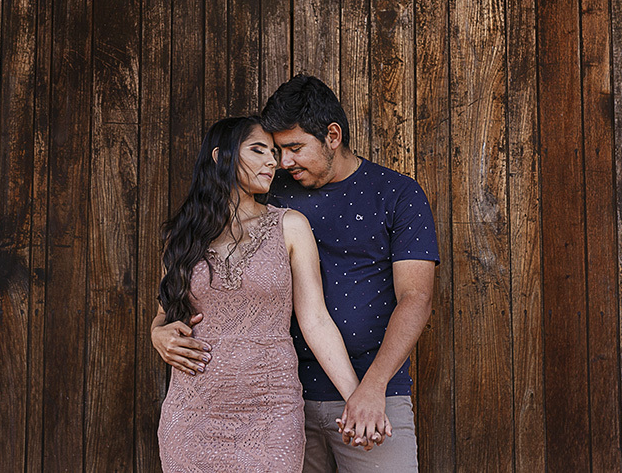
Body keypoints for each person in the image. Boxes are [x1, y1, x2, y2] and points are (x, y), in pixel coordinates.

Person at [156, 77, 439, 472]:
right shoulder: (270, 191)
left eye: (292, 149)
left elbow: (415, 299)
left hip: (367, 390)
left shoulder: (396, 193)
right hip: (284, 395)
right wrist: (158, 330)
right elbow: (184, 299)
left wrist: (369, 390)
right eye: (272, 150)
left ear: (332, 136)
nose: (281, 162)